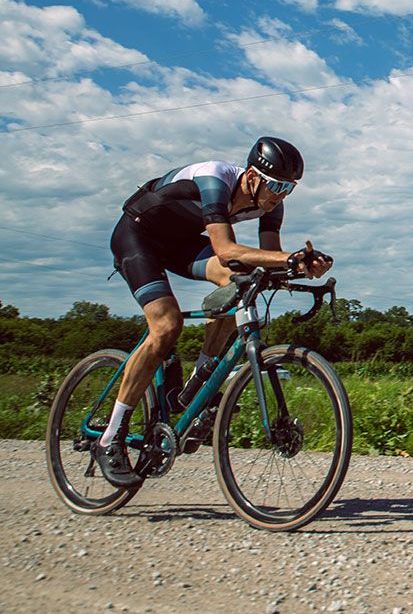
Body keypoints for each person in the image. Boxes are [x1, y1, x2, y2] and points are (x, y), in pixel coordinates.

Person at [96, 136, 332, 487]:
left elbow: (270, 258)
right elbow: (224, 250)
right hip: (138, 236)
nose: (281, 195)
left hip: (182, 244)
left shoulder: (271, 205)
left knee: (242, 281)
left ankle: (198, 381)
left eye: (289, 188)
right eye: (277, 185)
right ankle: (110, 437)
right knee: (166, 325)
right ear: (252, 177)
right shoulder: (214, 179)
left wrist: (303, 267)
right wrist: (290, 259)